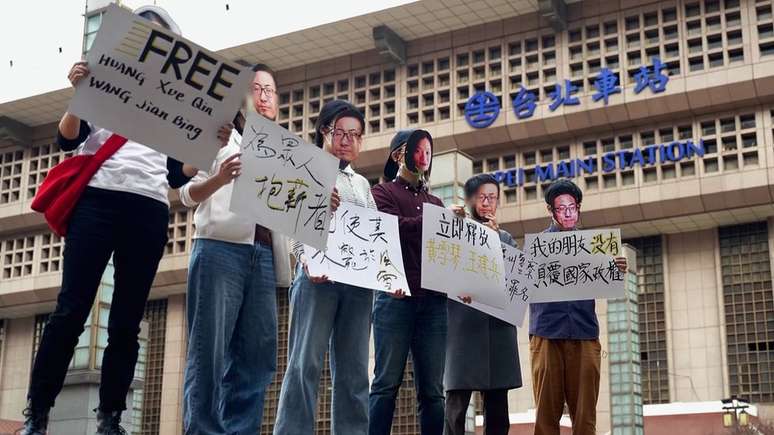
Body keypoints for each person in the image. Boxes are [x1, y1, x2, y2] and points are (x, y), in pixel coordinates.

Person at [19, 7, 233, 435]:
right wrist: (78, 95)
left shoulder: (178, 96)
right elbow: (68, 138)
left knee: (126, 319)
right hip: (96, 202)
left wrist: (209, 145)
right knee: (70, 310)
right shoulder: (105, 77)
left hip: (148, 208)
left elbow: (177, 175)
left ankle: (110, 418)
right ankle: (37, 413)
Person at [179, 63, 296, 435]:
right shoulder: (218, 132)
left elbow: (292, 213)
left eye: (270, 91)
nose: (263, 98)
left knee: (257, 360)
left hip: (263, 258)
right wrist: (219, 177)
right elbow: (185, 193)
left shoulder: (282, 150)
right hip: (219, 249)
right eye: (256, 90)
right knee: (208, 354)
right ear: (241, 97)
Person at [273, 100, 374, 435]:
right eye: (340, 132)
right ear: (324, 131)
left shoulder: (361, 185)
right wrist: (304, 259)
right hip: (317, 279)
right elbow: (290, 220)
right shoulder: (305, 168)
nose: (347, 140)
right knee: (305, 365)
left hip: (358, 287)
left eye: (355, 135)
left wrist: (388, 276)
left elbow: (375, 234)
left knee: (355, 372)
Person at [530, 179, 627, 435]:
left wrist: (615, 269)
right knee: (546, 417)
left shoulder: (596, 245)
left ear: (579, 208)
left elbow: (605, 282)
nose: (568, 213)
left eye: (572, 207)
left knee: (585, 419)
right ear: (550, 211)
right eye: (561, 208)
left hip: (584, 334)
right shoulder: (537, 247)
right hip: (546, 334)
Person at [369, 129, 446, 435]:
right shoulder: (382, 193)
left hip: (434, 303)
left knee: (433, 390)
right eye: (416, 150)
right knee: (386, 383)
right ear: (398, 155)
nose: (423, 156)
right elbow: (387, 230)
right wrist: (431, 223)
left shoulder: (436, 201)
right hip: (394, 299)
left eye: (428, 151)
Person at [444, 173, 522, 435]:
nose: (487, 203)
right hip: (463, 327)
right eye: (482, 197)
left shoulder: (507, 239)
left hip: (497, 329)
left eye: (493, 197)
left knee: (498, 410)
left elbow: (517, 279)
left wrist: (495, 241)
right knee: (455, 406)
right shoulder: (453, 231)